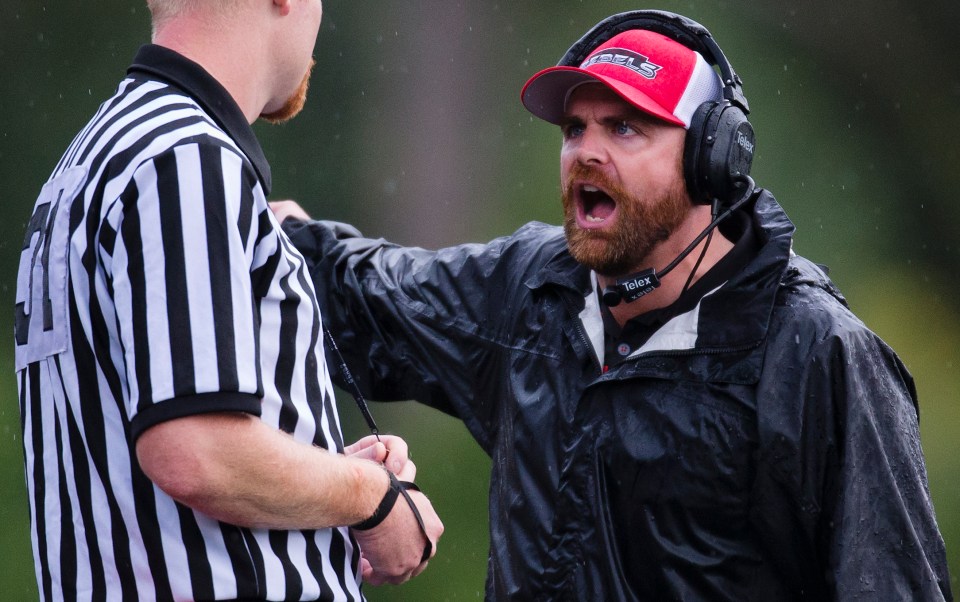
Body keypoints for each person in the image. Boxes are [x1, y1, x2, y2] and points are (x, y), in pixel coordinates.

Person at [272, 9, 955, 601]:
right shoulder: (530, 292)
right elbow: (351, 291)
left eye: (625, 128)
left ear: (713, 158)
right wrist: (251, 220)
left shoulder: (819, 354)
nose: (586, 153)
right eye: (575, 129)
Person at [13, 1, 443, 600]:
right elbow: (193, 451)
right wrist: (370, 497)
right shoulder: (184, 156)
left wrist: (324, 469)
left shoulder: (94, 155)